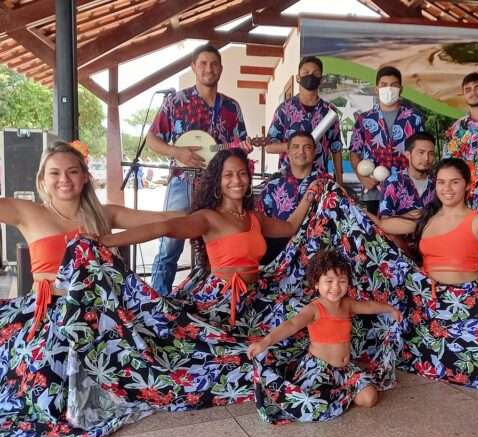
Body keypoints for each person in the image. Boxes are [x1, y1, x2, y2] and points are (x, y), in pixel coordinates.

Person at [0, 141, 185, 437]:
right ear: (43, 179)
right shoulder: (26, 212)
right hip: (47, 319)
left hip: (96, 319)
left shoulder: (104, 214)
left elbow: (167, 221)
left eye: (72, 171)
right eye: (54, 173)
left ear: (84, 177)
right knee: (43, 400)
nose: (64, 179)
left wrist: (209, 209)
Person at [91, 149, 318, 326]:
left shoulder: (254, 218)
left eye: (241, 174)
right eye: (227, 175)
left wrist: (310, 195)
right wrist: (104, 242)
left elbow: (289, 227)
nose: (236, 180)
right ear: (217, 182)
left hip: (252, 298)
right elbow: (163, 228)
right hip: (219, 300)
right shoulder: (208, 218)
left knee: (302, 315)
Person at [247, 248, 402, 422]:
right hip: (319, 369)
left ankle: (341, 394)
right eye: (329, 281)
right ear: (316, 283)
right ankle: (336, 396)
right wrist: (264, 343)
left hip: (344, 369)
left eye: (341, 281)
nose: (335, 287)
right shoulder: (314, 309)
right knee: (315, 404)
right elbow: (291, 324)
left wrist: (390, 309)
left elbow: (368, 307)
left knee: (369, 398)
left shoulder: (347, 304)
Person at [146, 43, 253, 295]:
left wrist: (245, 148)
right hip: (182, 182)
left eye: (214, 64)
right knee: (170, 242)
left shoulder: (231, 107)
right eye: (203, 64)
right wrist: (177, 152)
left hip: (219, 187)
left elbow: (239, 144)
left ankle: (207, 299)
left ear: (221, 69)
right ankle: (158, 302)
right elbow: (152, 140)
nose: (209, 69)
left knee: (215, 244)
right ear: (193, 67)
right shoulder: (176, 101)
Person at [350, 66, 426, 214]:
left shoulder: (414, 117)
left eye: (394, 85)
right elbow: (354, 152)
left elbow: (423, 151)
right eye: (384, 85)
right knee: (378, 234)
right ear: (376, 89)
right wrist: (362, 178)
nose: (389, 89)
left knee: (406, 232)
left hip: (407, 188)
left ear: (401, 89)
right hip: (374, 191)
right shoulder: (365, 119)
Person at [265, 56, 344, 185]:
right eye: (306, 73)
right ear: (298, 77)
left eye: (315, 73)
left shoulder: (328, 112)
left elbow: (336, 148)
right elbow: (269, 147)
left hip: (319, 181)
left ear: (321, 79)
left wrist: (340, 181)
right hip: (288, 180)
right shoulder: (284, 110)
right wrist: (297, 147)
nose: (310, 76)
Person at [257, 130, 332, 264]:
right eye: (295, 147)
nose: (301, 152)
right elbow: (260, 224)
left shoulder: (327, 185)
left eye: (307, 147)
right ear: (288, 152)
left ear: (314, 152)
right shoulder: (273, 186)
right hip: (277, 257)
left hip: (314, 256)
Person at [377, 131, 436, 256]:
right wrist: (409, 259)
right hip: (400, 256)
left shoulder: (438, 184)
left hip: (433, 253)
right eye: (421, 152)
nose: (426, 158)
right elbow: (387, 227)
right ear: (408, 154)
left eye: (431, 153)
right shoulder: (393, 183)